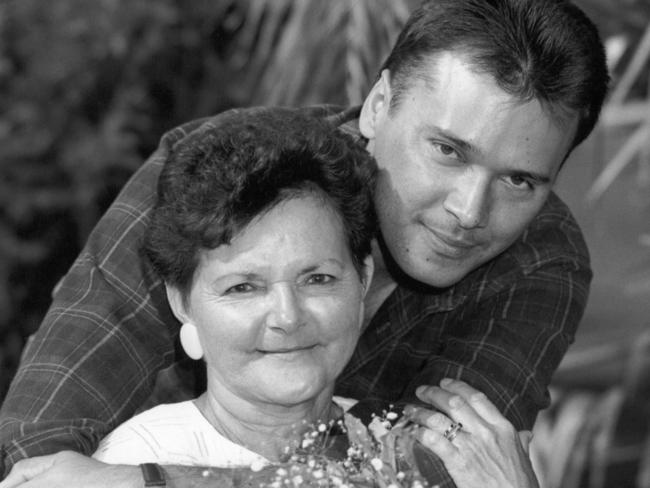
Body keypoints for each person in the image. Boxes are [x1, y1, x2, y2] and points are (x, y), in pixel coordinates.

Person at [0, 0, 608, 486]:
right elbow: (38, 447)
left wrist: (158, 484)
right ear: (378, 105)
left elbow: (439, 477)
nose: (469, 211)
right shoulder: (217, 172)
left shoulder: (538, 261)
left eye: (520, 180)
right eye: (448, 151)